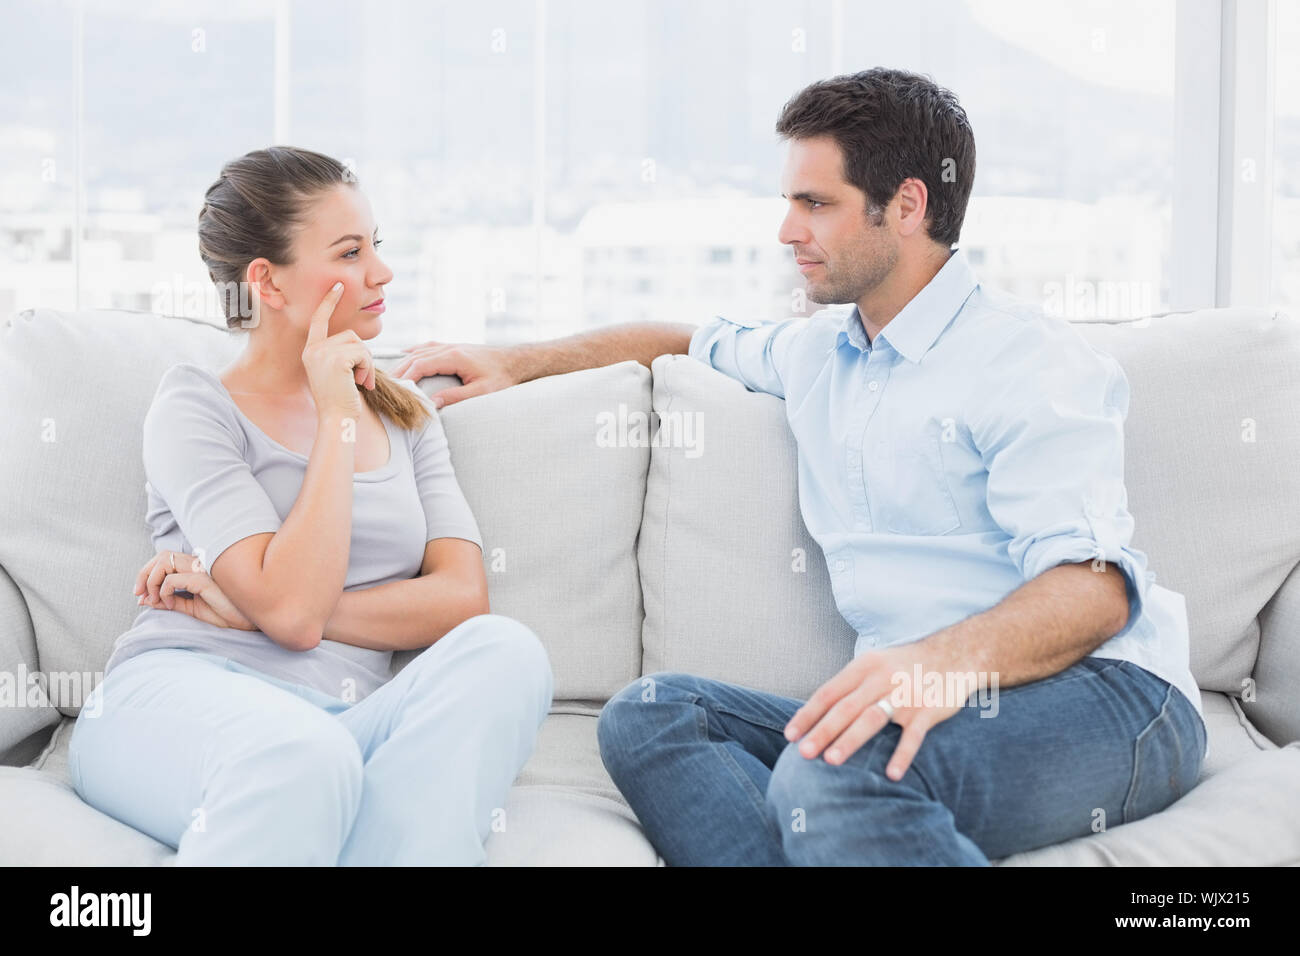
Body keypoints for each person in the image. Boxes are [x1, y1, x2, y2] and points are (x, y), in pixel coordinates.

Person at [390, 68, 1206, 866]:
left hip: (1106, 695)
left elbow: (1093, 586)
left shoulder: (1028, 361)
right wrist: (516, 363)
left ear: (909, 205)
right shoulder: (821, 354)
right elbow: (683, 339)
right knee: (653, 714)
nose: (787, 231)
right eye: (789, 202)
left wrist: (933, 664)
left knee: (832, 773)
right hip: (907, 707)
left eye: (816, 204)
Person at [68, 146, 553, 866]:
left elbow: (460, 598)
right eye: (351, 252)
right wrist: (335, 417)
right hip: (180, 700)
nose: (381, 273)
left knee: (508, 651)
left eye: (376, 248)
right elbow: (292, 615)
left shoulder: (408, 411)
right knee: (303, 755)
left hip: (340, 719)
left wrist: (247, 602)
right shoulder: (196, 406)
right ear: (266, 281)